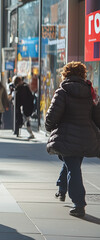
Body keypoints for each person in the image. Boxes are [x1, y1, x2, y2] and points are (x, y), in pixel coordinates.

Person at [46, 61, 100, 217]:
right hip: (86, 137)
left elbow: (52, 115)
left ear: (66, 74)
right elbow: (97, 117)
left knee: (73, 168)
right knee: (71, 162)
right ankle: (62, 188)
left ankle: (79, 204)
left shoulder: (62, 91)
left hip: (67, 136)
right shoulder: (91, 92)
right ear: (83, 75)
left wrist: (49, 127)